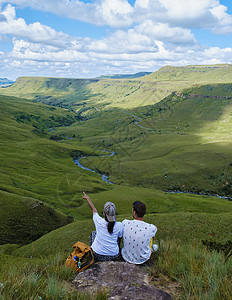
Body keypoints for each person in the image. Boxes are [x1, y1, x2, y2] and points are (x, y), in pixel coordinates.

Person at [83, 191, 123, 261]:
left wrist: (88, 198)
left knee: (94, 233)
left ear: (104, 213)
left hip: (98, 254)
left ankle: (91, 257)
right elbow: (119, 239)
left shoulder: (99, 221)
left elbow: (94, 209)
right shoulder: (119, 225)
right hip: (114, 255)